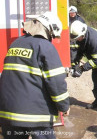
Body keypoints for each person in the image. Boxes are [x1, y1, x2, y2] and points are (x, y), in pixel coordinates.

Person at [0, 11, 70, 139]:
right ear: (49, 30)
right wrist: (64, 106)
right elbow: (56, 81)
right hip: (36, 117)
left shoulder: (15, 44)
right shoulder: (45, 47)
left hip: (7, 113)